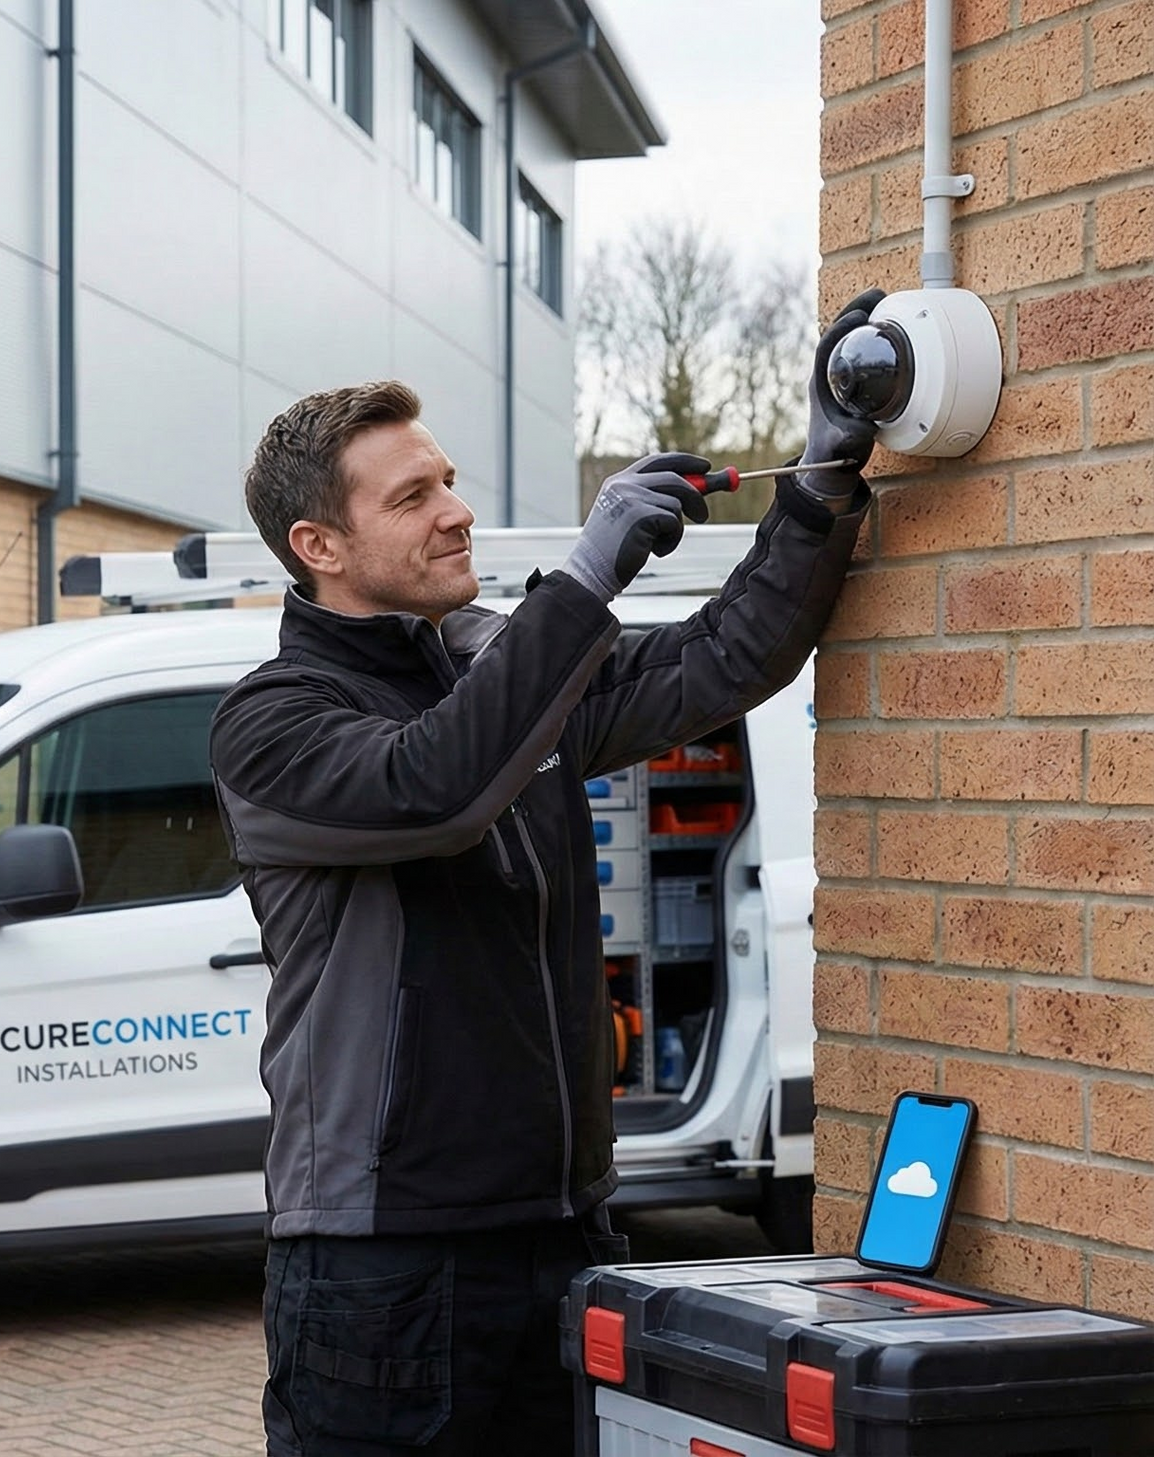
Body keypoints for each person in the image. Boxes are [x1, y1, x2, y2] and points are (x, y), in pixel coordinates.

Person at [208, 291, 886, 1455]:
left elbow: (719, 659)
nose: (457, 513)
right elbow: (439, 785)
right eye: (413, 496)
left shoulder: (491, 666)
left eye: (450, 480)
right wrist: (583, 574)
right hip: (386, 1267)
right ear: (319, 546)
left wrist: (820, 480)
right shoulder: (273, 726)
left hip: (564, 1235)